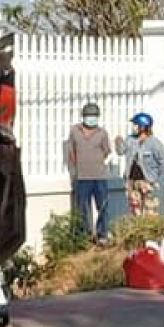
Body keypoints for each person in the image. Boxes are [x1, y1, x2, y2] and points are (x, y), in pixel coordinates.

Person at [64, 102, 111, 242]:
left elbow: (106, 152)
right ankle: (83, 235)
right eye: (89, 116)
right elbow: (72, 151)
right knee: (82, 208)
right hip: (82, 176)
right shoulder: (74, 131)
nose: (92, 118)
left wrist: (95, 160)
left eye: (94, 116)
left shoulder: (102, 133)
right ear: (83, 116)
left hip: (99, 176)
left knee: (102, 206)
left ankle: (102, 235)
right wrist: (78, 166)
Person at [115, 112, 164, 219]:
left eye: (135, 125)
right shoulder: (130, 140)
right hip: (132, 181)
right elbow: (121, 151)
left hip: (148, 181)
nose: (133, 127)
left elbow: (163, 162)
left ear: (143, 127)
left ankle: (151, 234)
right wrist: (118, 142)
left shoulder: (154, 143)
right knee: (135, 211)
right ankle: (138, 233)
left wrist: (158, 180)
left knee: (151, 211)